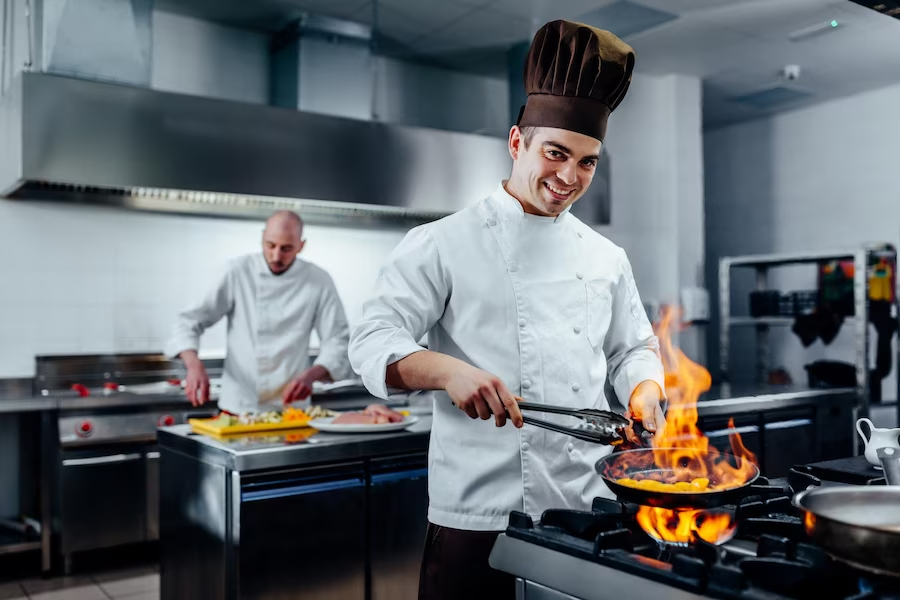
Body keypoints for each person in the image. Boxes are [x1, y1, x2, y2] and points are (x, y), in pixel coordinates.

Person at [348, 20, 667, 600]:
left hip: (586, 509)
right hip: (479, 516)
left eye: (588, 162)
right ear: (517, 141)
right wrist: (448, 371)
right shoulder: (442, 242)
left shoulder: (605, 256)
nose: (569, 178)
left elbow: (633, 348)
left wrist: (644, 389)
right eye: (556, 153)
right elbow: (371, 341)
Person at [165, 210, 351, 413]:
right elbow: (188, 322)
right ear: (262, 237)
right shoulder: (237, 271)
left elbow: (337, 340)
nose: (276, 256)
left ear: (301, 245)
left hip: (292, 408)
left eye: (286, 248)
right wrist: (194, 366)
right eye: (270, 245)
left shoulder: (319, 280)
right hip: (239, 406)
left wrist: (311, 375)